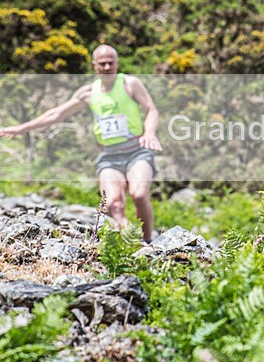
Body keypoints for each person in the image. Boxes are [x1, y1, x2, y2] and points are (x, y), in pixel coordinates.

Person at [0, 45, 162, 242]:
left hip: (137, 151)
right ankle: (135, 245)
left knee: (138, 194)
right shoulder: (88, 92)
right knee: (114, 204)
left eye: (111, 62)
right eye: (102, 63)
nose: (107, 66)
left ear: (117, 63)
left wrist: (150, 133)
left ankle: (149, 242)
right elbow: (56, 114)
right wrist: (19, 129)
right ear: (95, 66)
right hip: (110, 157)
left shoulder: (130, 84)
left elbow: (151, 110)